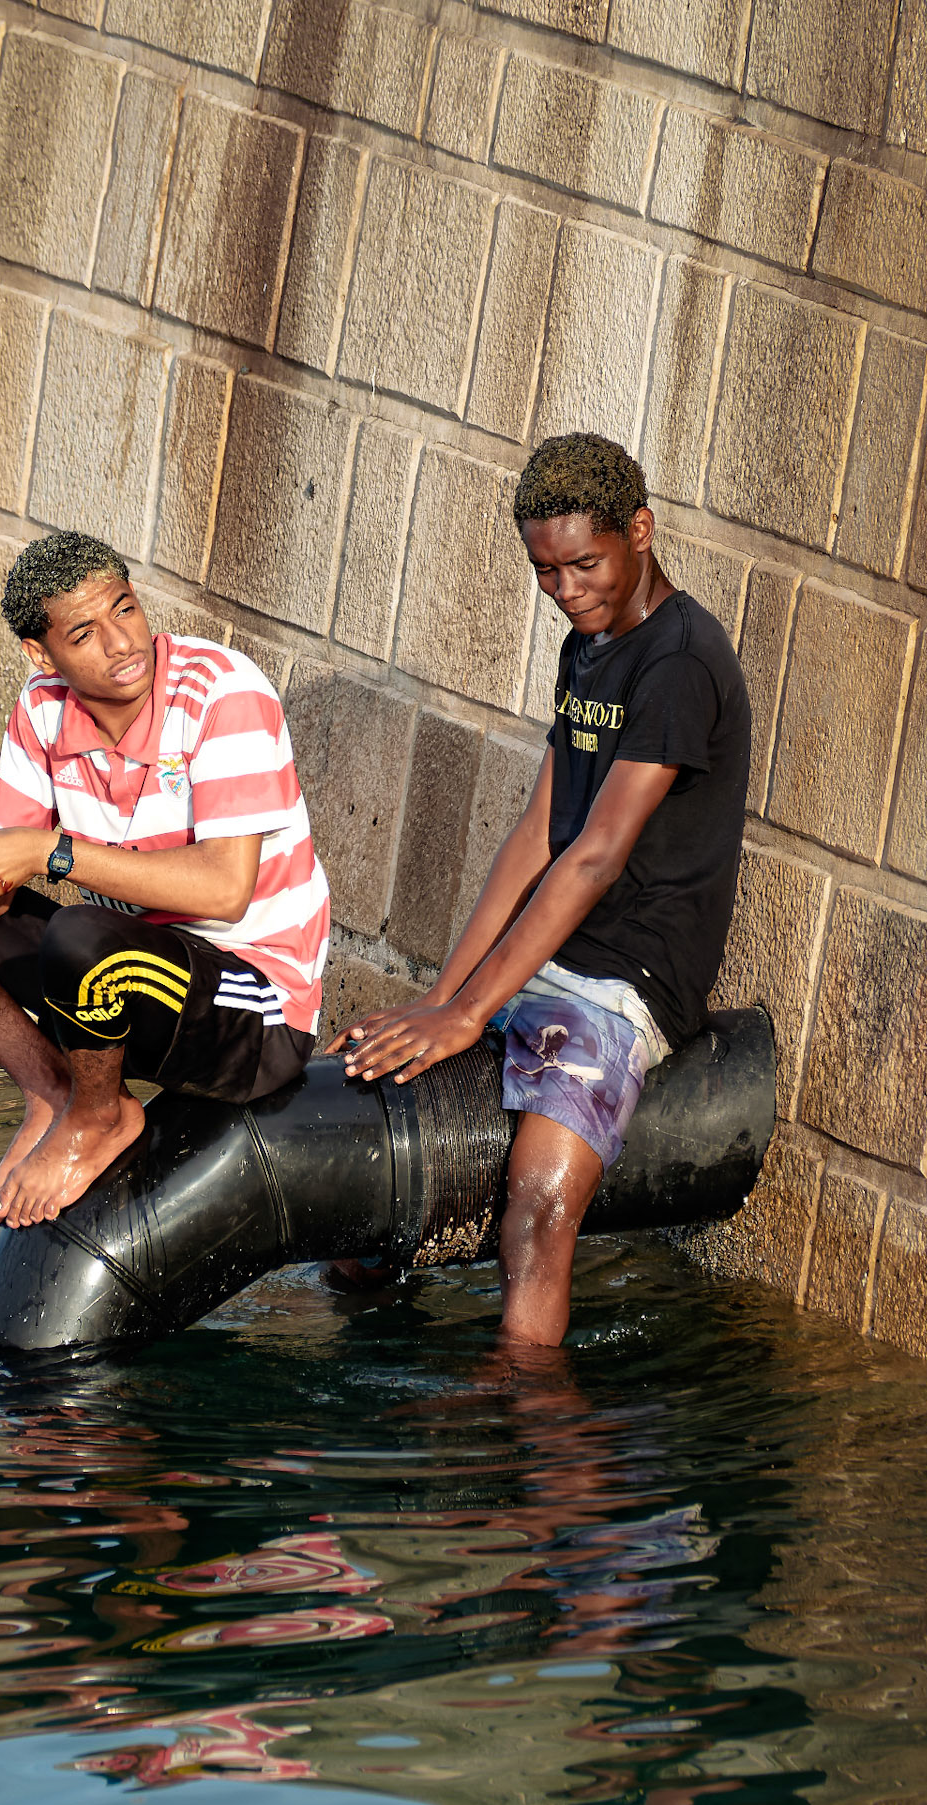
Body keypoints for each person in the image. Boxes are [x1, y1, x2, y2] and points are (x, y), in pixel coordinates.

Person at [327, 434, 750, 1349]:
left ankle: (539, 1451)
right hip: (550, 957)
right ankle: (355, 1344)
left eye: (584, 565)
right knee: (363, 1129)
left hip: (625, 978)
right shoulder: (587, 649)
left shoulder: (678, 660)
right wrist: (443, 997)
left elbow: (595, 856)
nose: (566, 591)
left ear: (640, 530)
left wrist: (472, 1012)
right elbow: (534, 834)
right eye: (545, 572)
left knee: (534, 1218)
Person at [0, 531, 329, 1229]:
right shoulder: (42, 707)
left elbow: (222, 890)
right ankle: (53, 1091)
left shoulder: (222, 693)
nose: (121, 644)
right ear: (40, 652)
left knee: (83, 935)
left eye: (125, 610)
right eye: (84, 632)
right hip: (118, 988)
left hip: (251, 1018)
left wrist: (55, 852)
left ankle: (97, 1121)